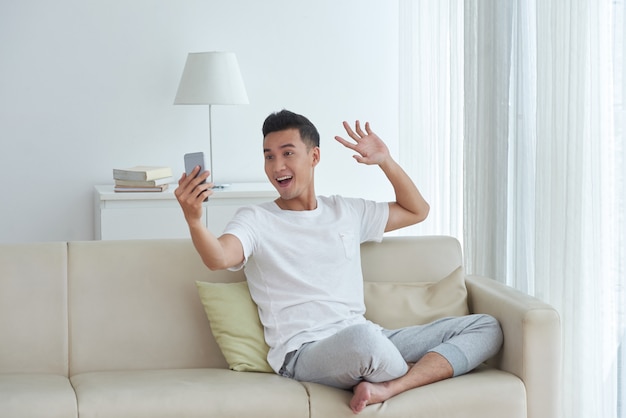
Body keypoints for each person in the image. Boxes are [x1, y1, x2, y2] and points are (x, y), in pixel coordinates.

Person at [175, 110, 503, 414]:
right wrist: (194, 220)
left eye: (288, 153)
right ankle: (422, 368)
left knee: (486, 326)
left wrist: (385, 161)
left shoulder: (345, 211)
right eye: (269, 156)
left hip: (370, 338)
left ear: (314, 156)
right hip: (304, 352)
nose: (277, 167)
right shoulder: (255, 219)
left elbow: (417, 210)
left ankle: (391, 387)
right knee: (364, 342)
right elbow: (219, 258)